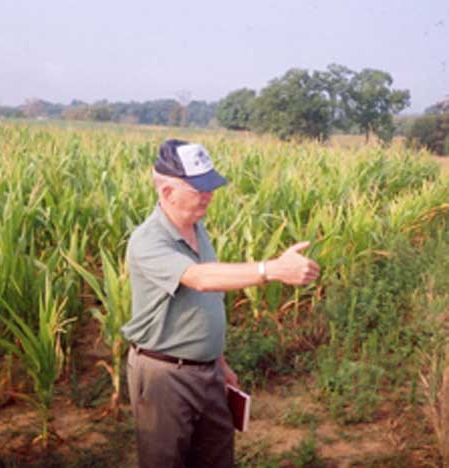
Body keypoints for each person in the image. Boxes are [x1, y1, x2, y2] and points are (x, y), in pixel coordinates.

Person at [122, 139, 320, 468]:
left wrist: (220, 361)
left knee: (217, 458)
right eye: (199, 188)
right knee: (165, 461)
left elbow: (206, 298)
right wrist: (272, 270)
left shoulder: (198, 229)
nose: (209, 196)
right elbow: (199, 278)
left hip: (209, 371)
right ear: (168, 193)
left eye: (210, 187)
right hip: (164, 376)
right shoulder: (148, 240)